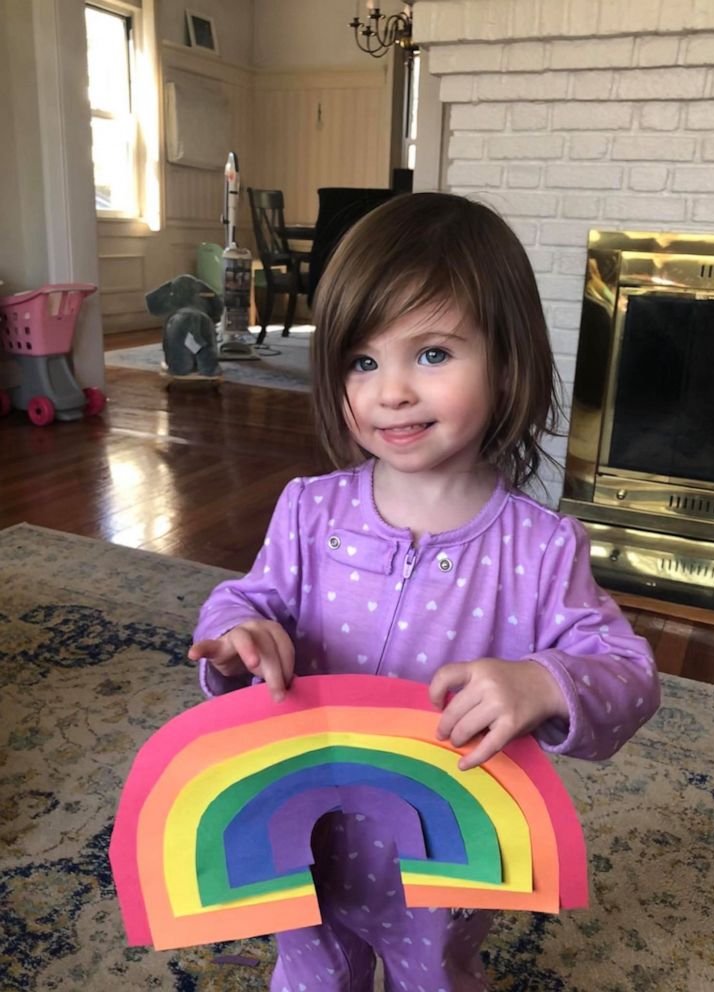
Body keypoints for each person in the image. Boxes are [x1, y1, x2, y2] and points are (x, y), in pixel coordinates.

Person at [189, 192, 659, 992]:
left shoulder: (540, 550)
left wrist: (544, 680)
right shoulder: (309, 509)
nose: (391, 391)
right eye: (363, 361)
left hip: (440, 863)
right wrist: (240, 633)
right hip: (303, 839)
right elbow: (246, 600)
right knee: (308, 977)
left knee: (436, 979)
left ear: (509, 362)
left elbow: (629, 672)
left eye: (432, 354)